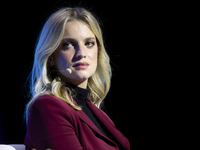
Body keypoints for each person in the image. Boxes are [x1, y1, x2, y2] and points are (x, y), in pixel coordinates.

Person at [24, 7, 130, 150]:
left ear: (98, 51)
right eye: (67, 45)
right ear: (51, 58)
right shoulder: (47, 106)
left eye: (89, 43)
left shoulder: (97, 112)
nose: (81, 53)